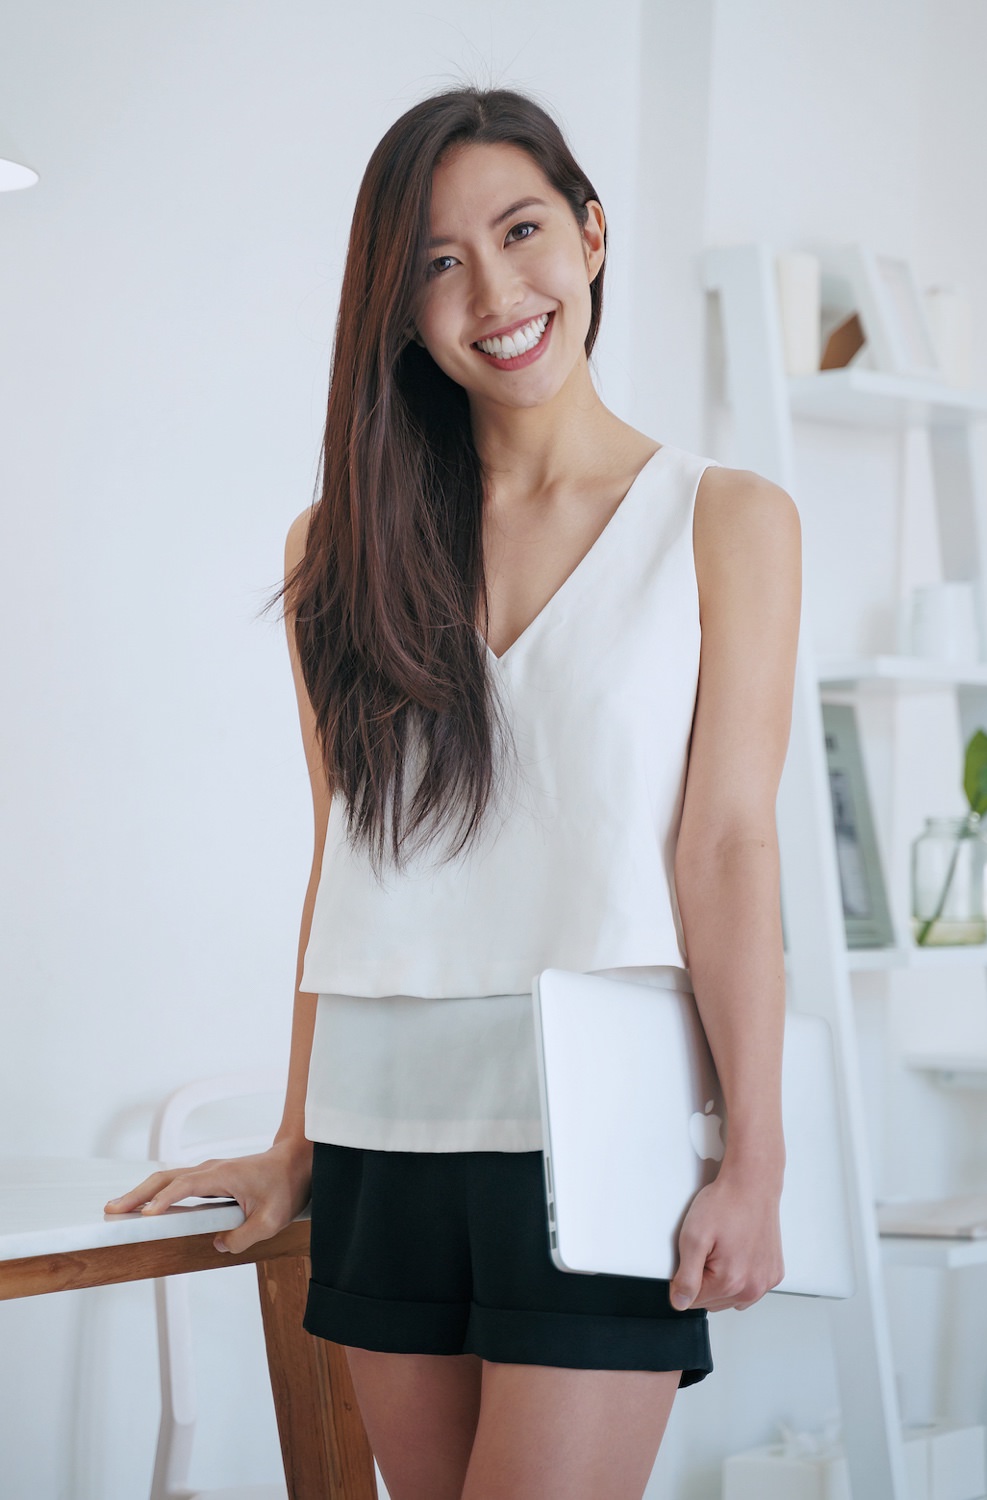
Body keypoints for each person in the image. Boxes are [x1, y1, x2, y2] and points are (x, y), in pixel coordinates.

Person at [107, 84, 801, 1499]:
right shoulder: (341, 550)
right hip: (385, 1131)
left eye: (522, 229)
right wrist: (297, 1144)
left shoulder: (725, 521)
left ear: (594, 236)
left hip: (604, 1131)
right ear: (399, 305)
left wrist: (756, 1157)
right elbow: (343, 863)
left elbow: (727, 845)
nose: (494, 289)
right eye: (437, 260)